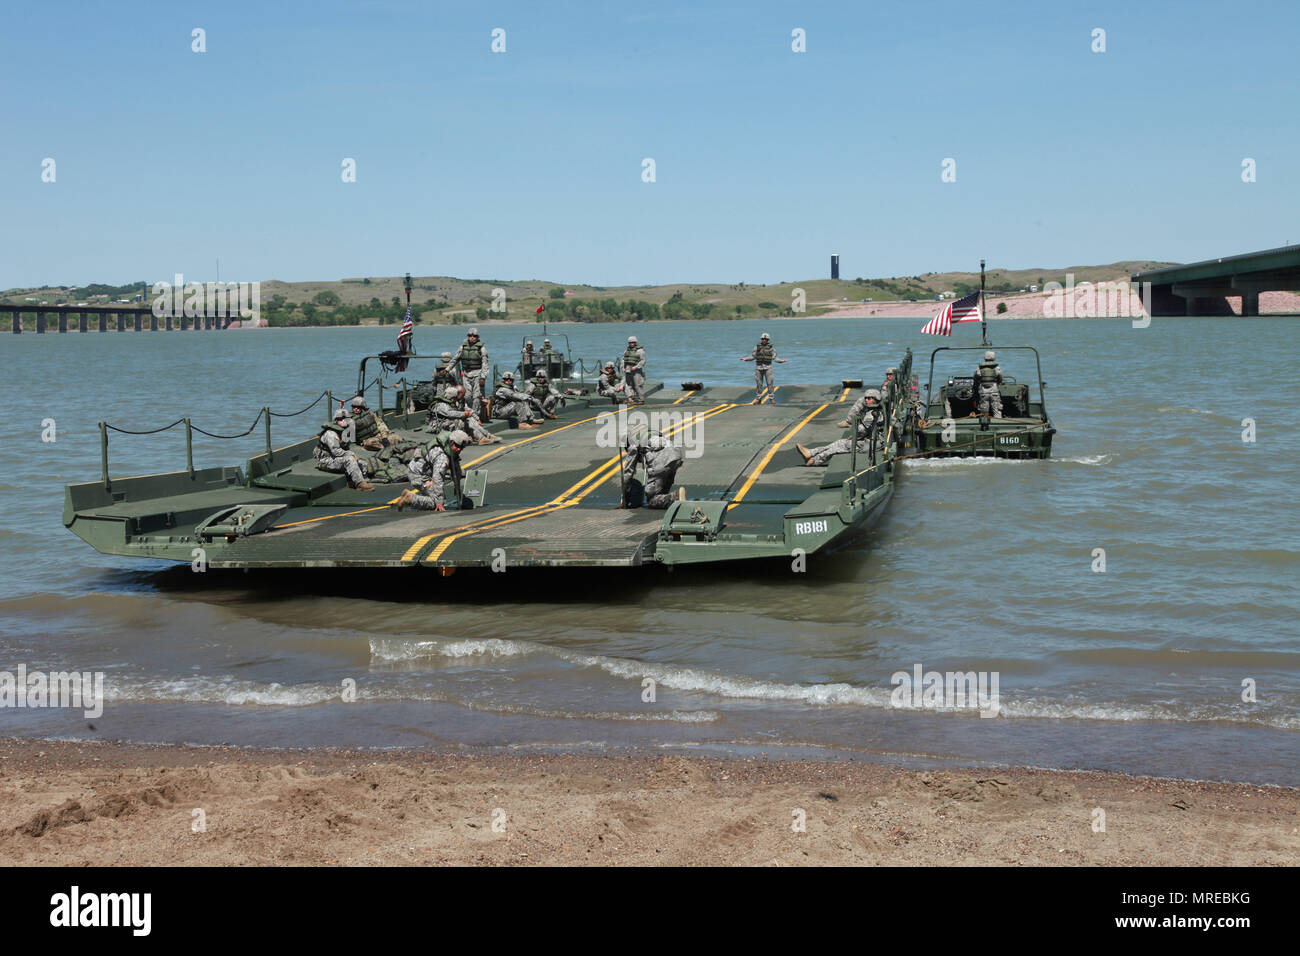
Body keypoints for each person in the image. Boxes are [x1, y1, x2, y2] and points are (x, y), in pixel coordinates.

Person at [798, 390, 882, 467]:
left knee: (842, 445)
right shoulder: (875, 411)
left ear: (875, 400)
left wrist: (853, 437)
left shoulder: (871, 415)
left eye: (869, 398)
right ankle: (811, 454)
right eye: (866, 398)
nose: (866, 400)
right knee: (839, 443)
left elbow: (861, 431)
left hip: (871, 444)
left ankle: (814, 460)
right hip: (871, 440)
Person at [397, 429, 471, 512]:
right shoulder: (442, 457)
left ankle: (418, 499)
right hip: (418, 475)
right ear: (451, 443)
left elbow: (456, 469)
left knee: (437, 497)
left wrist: (457, 487)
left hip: (425, 473)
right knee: (437, 502)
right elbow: (437, 478)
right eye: (457, 446)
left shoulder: (451, 450)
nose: (459, 449)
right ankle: (410, 498)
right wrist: (439, 502)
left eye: (462, 447)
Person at [314, 405, 375, 490]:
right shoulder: (331, 433)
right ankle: (360, 484)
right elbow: (336, 451)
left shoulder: (344, 431)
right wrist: (351, 454)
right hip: (326, 461)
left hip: (336, 459)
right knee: (350, 460)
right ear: (337, 420)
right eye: (342, 419)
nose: (345, 421)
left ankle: (363, 480)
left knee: (362, 463)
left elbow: (345, 448)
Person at [622, 434, 685, 509]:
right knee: (662, 495)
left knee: (652, 500)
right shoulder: (649, 434)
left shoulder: (633, 445)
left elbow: (628, 473)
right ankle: (673, 499)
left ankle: (676, 496)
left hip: (662, 461)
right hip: (676, 455)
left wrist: (625, 496)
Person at [428, 384, 498, 443]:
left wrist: (474, 417)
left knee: (469, 419)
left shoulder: (453, 402)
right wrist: (464, 414)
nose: (456, 399)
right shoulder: (440, 405)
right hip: (438, 426)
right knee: (460, 421)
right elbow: (449, 413)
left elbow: (465, 410)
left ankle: (485, 436)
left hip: (447, 423)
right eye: (455, 398)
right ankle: (466, 438)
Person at [451, 327, 490, 414]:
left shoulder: (482, 349)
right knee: (467, 396)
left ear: (477, 337)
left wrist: (483, 377)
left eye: (474, 336)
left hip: (478, 373)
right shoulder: (462, 348)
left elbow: (485, 364)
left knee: (477, 396)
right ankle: (470, 412)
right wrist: (447, 369)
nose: (472, 337)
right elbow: (455, 359)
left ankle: (475, 415)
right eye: (470, 335)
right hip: (466, 374)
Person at [740, 332, 787, 398]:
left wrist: (781, 361)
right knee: (759, 383)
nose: (764, 340)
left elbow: (775, 358)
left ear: (768, 340)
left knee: (770, 383)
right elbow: (753, 357)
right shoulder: (756, 347)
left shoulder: (771, 348)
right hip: (758, 368)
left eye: (766, 339)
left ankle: (771, 397)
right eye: (763, 339)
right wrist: (745, 359)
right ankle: (758, 397)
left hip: (768, 368)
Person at [976, 349, 1003, 418]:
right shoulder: (997, 368)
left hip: (983, 391)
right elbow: (1000, 378)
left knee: (984, 410)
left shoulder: (979, 368)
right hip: (994, 390)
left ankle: (984, 424)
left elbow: (976, 377)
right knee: (996, 409)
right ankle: (998, 423)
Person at [621, 335, 646, 404]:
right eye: (630, 342)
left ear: (635, 342)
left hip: (636, 370)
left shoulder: (640, 351)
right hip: (628, 369)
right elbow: (623, 359)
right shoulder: (626, 351)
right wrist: (622, 367)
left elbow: (643, 361)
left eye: (633, 342)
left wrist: (636, 367)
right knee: (629, 384)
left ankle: (641, 399)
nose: (631, 344)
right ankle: (631, 399)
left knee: (638, 385)